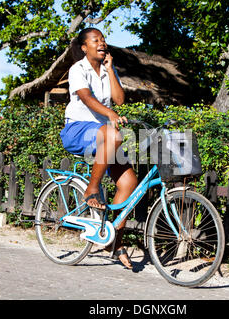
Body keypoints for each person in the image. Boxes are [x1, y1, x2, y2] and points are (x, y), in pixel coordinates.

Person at [60, 28, 138, 269]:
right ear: (84, 47)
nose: (102, 43)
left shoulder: (107, 69)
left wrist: (110, 70)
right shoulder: (77, 69)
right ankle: (91, 190)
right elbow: (85, 97)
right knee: (112, 133)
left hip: (104, 136)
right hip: (78, 130)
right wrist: (109, 114)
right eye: (96, 40)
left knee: (129, 183)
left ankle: (115, 242)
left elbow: (120, 99)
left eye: (103, 39)